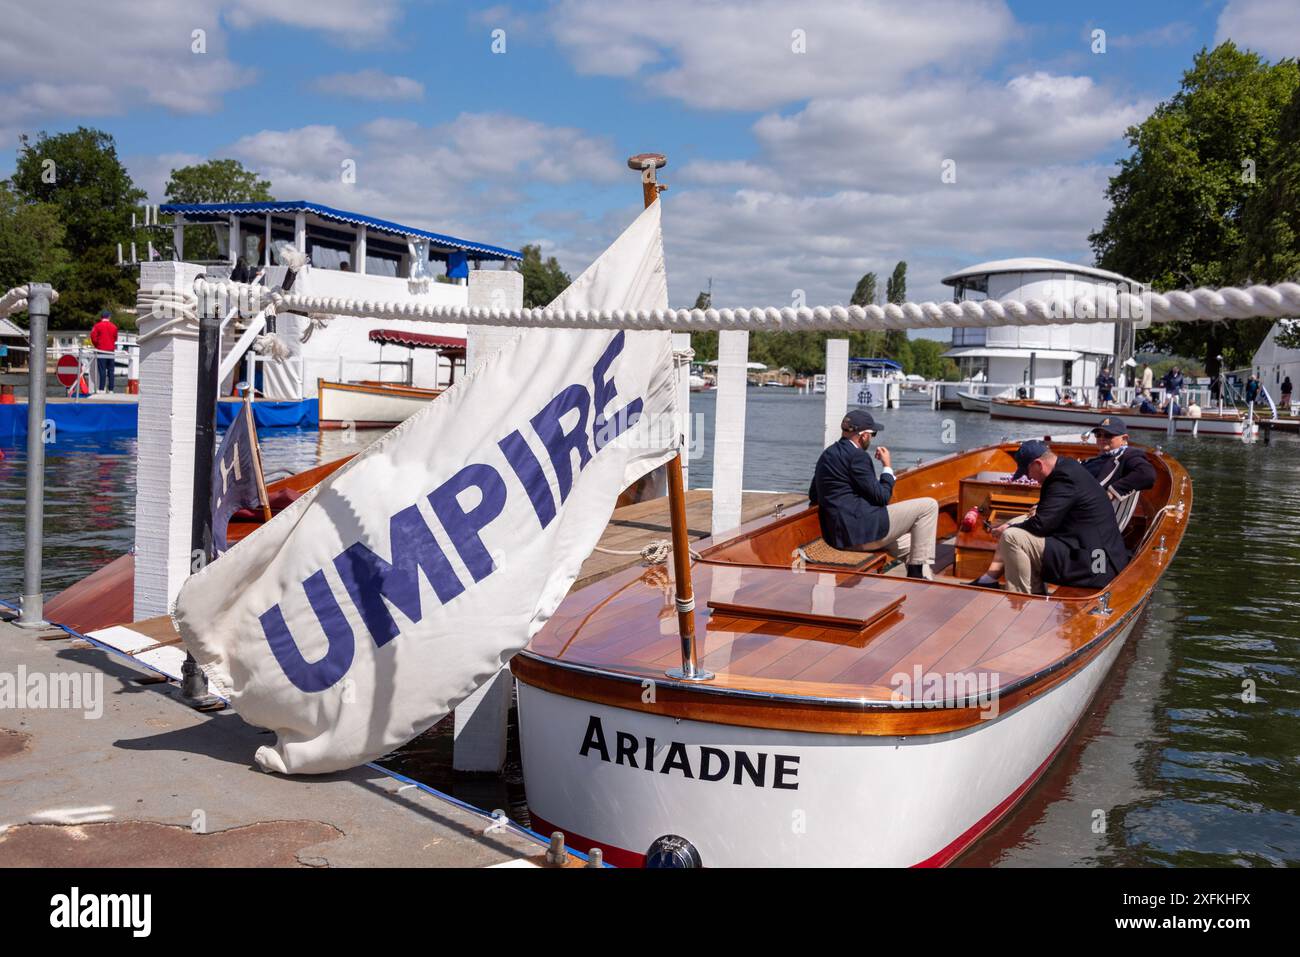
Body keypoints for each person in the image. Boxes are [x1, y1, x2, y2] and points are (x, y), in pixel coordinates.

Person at [968, 440, 1129, 594]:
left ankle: (1022, 598)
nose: (1029, 477)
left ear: (1038, 464)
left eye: (1027, 472)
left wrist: (1009, 528)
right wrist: (1014, 524)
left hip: (1094, 565)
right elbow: (1049, 516)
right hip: (1087, 547)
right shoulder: (1067, 466)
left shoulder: (1063, 479)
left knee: (1011, 536)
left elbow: (1042, 525)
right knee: (1015, 523)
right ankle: (1000, 581)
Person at [808, 409, 939, 579]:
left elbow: (814, 494)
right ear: (863, 436)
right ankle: (915, 574)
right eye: (873, 434)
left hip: (840, 535)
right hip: (861, 534)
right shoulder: (858, 456)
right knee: (929, 505)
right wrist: (887, 467)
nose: (872, 438)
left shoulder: (828, 454)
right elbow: (882, 498)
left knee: (918, 550)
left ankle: (920, 584)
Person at [1081, 416, 1155, 498]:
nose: (1101, 438)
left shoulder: (1129, 455)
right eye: (1098, 435)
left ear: (1124, 438)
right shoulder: (1104, 456)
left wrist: (1112, 491)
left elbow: (1146, 474)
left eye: (1108, 435)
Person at [89, 308, 118, 394]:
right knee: (111, 370)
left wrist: (97, 345)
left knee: (102, 370)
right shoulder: (114, 327)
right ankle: (111, 389)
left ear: (101, 317)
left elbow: (93, 337)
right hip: (111, 351)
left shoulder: (97, 326)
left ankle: (101, 388)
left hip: (101, 350)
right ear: (109, 317)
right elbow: (115, 338)